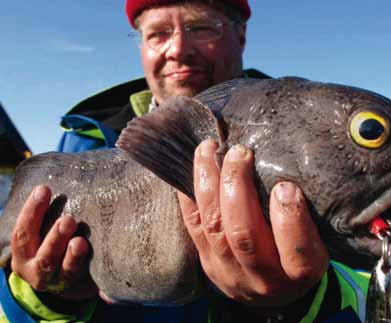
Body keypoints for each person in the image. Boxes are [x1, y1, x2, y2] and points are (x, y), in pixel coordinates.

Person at [0, 1, 369, 322]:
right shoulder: (80, 142)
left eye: (200, 27)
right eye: (158, 34)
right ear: (142, 46)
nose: (177, 48)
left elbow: (373, 294)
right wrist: (45, 297)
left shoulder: (311, 137)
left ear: (241, 37)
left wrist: (294, 305)